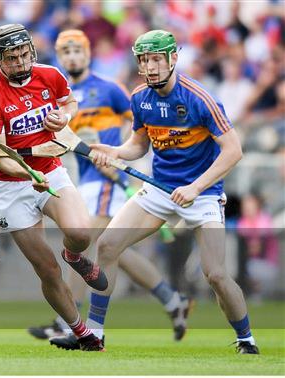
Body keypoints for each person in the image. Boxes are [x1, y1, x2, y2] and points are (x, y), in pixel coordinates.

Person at [89, 30, 259, 354]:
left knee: (216, 274)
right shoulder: (140, 98)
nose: (150, 67)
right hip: (159, 189)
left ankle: (246, 339)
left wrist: (196, 187)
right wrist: (112, 151)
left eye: (156, 59)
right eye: (144, 61)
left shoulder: (200, 98)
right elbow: (138, 145)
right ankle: (95, 334)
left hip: (203, 192)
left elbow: (233, 151)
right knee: (108, 245)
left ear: (173, 59)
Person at [27, 30, 193, 349]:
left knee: (85, 246)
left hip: (108, 178)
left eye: (78, 50)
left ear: (88, 53)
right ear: (59, 58)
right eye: (66, 52)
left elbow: (142, 129)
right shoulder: (60, 96)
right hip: (84, 177)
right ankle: (173, 300)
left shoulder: (109, 90)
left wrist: (115, 157)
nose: (72, 57)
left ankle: (66, 322)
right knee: (111, 249)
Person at [0, 24, 106, 351]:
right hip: (11, 185)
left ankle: (74, 256)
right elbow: (1, 156)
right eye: (11, 58)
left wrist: (64, 117)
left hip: (50, 167)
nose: (19, 63)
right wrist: (26, 175)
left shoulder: (50, 75)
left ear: (31, 51)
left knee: (81, 233)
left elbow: (69, 103)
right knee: (47, 269)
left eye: (23, 55)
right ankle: (81, 332)